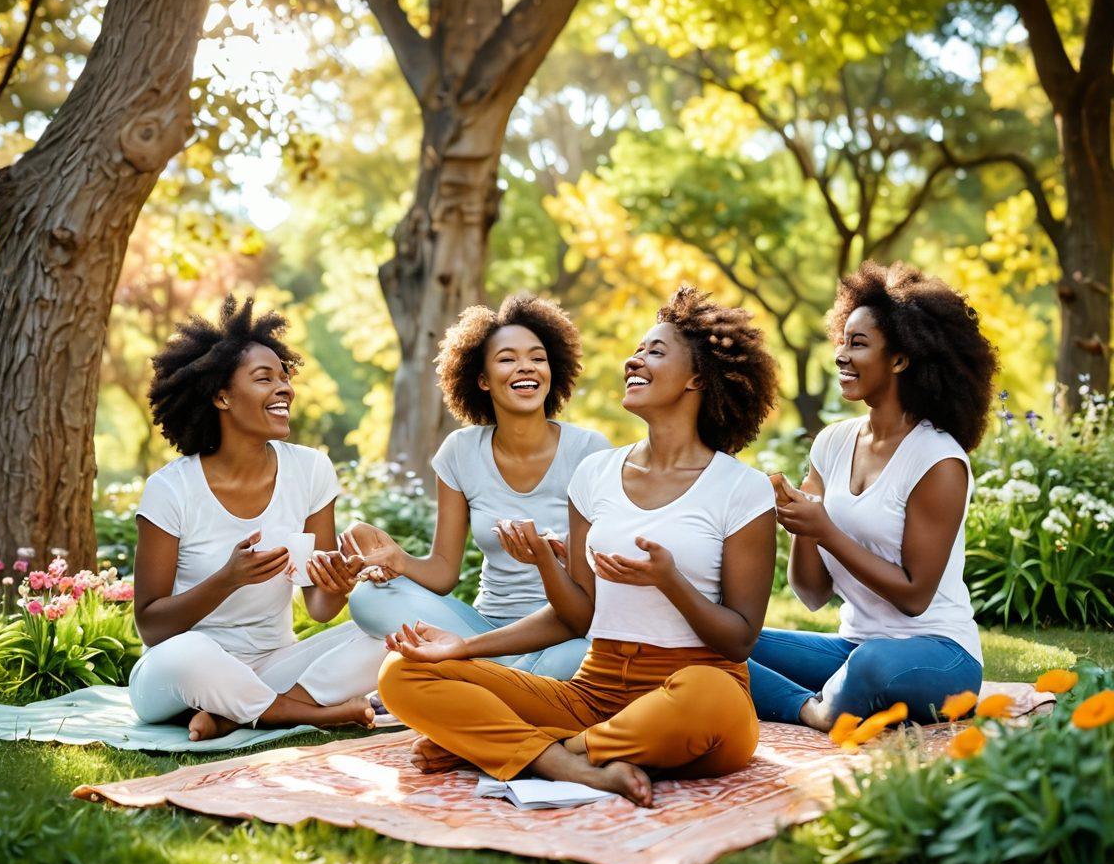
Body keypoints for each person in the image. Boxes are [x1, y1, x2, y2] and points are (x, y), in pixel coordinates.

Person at [377, 286, 779, 807]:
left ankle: (521, 747)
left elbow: (740, 641)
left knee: (712, 702)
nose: (634, 359)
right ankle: (567, 762)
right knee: (404, 672)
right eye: (638, 349)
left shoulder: (741, 489)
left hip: (693, 687)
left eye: (655, 351)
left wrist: (670, 581)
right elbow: (577, 618)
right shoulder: (596, 474)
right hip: (594, 692)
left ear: (699, 378)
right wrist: (465, 646)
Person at [129, 297, 388, 742]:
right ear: (222, 396)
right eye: (264, 378)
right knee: (189, 654)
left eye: (285, 378)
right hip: (183, 667)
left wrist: (339, 584)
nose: (284, 389)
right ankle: (310, 713)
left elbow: (319, 609)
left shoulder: (310, 470)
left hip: (275, 661)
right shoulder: (172, 488)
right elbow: (151, 626)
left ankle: (237, 713)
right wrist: (227, 579)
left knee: (387, 634)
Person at [753, 261, 998, 730]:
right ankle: (813, 708)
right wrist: (803, 525)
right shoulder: (832, 442)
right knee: (725, 643)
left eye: (858, 343)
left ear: (901, 358)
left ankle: (816, 699)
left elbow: (914, 597)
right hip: (855, 647)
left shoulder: (937, 460)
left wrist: (826, 530)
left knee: (871, 667)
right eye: (841, 341)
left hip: (940, 655)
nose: (841, 355)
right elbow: (810, 594)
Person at [346, 295, 610, 680]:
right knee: (369, 599)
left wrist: (553, 558)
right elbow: (443, 572)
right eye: (507, 359)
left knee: (579, 656)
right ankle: (510, 681)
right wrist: (398, 561)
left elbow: (602, 583)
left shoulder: (590, 451)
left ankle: (480, 679)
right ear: (482, 380)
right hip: (484, 628)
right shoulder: (460, 451)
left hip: (565, 630)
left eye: (538, 358)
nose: (526, 367)